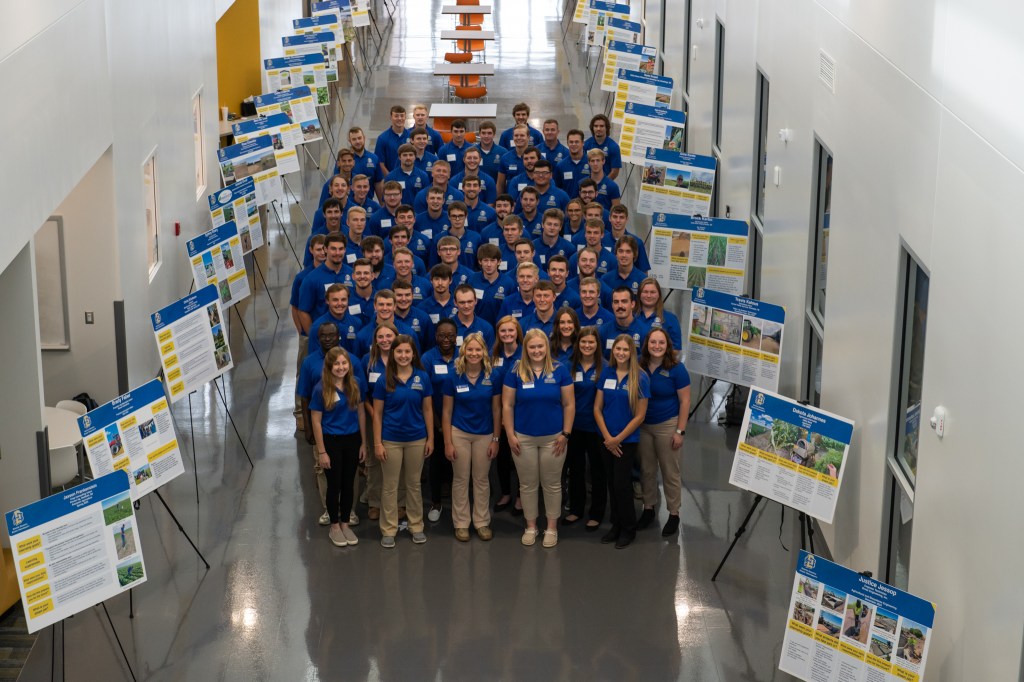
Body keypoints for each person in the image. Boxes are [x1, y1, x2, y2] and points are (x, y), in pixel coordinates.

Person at [502, 329, 575, 548]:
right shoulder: (515, 371)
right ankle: (531, 526)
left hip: (554, 438)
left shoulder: (560, 370)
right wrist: (510, 435)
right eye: (532, 347)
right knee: (527, 484)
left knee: (552, 484)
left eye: (540, 346)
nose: (536, 350)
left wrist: (566, 434)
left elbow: (569, 404)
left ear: (547, 347)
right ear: (526, 348)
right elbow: (507, 405)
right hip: (523, 438)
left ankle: (551, 527)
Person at [372, 335, 433, 547]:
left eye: (407, 351)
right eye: (399, 352)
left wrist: (431, 438)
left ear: (414, 354)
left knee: (414, 484)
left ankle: (416, 525)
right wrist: (377, 443)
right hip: (391, 439)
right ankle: (389, 528)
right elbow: (377, 414)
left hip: (417, 438)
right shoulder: (383, 380)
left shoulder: (422, 378)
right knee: (390, 486)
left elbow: (427, 409)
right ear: (393, 354)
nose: (403, 355)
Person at [442, 332, 502, 541]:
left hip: (485, 434)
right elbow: (446, 412)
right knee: (460, 479)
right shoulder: (453, 375)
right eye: (470, 349)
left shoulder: (493, 375)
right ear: (464, 351)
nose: (474, 353)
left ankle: (482, 522)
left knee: (481, 479)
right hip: (459, 433)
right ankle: (461, 523)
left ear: (484, 351)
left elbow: (497, 410)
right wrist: (448, 442)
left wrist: (496, 439)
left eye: (478, 349)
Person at [594, 334, 650, 548]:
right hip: (606, 439)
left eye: (625, 350)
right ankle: (616, 525)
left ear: (631, 352)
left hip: (626, 441)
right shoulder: (606, 372)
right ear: (613, 350)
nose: (621, 353)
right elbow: (597, 408)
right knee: (611, 482)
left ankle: (628, 528)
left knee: (622, 485)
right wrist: (608, 438)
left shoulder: (641, 377)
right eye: (618, 349)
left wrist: (617, 439)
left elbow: (640, 416)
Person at [310, 347, 367, 547]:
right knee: (334, 485)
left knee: (348, 483)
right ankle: (334, 526)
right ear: (329, 366)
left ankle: (345, 523)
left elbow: (361, 413)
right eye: (337, 364)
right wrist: (322, 451)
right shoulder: (320, 389)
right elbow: (316, 421)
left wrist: (364, 443)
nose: (341, 367)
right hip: (332, 441)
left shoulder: (355, 384)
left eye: (344, 363)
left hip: (352, 439)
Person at [638, 328, 690, 536]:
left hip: (667, 425)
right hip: (643, 425)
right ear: (647, 344)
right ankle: (648, 507)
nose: (657, 346)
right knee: (647, 470)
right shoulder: (640, 365)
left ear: (667, 345)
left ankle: (674, 513)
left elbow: (685, 401)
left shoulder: (677, 369)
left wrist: (680, 431)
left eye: (661, 342)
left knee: (670, 471)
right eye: (653, 342)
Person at [565, 327, 605, 530]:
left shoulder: (605, 368)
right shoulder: (569, 366)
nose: (587, 345)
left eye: (591, 342)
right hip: (574, 426)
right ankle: (576, 509)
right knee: (576, 469)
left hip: (597, 428)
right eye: (583, 342)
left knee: (597, 471)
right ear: (577, 344)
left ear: (597, 345)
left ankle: (597, 513)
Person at [362, 321, 399, 523]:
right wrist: (375, 413)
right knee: (375, 461)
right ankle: (375, 502)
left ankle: (400, 502)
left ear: (396, 337)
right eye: (381, 337)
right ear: (375, 341)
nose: (385, 340)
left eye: (389, 336)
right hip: (372, 417)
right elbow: (363, 393)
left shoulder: (403, 357)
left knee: (398, 460)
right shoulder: (367, 361)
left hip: (398, 418)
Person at [421, 320, 457, 524]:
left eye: (450, 335)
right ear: (435, 336)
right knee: (435, 462)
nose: (446, 339)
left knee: (457, 462)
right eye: (442, 335)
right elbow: (425, 395)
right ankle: (435, 502)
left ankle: (458, 504)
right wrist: (437, 424)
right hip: (434, 419)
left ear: (456, 337)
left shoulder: (463, 356)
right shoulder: (427, 358)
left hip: (458, 421)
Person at [491, 316, 523, 515]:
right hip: (497, 412)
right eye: (503, 331)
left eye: (511, 330)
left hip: (520, 412)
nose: (507, 334)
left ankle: (520, 496)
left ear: (517, 332)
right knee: (502, 456)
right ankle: (505, 493)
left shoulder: (525, 353)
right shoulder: (492, 354)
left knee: (520, 455)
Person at [468, 243, 515, 325]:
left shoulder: (508, 283)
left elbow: (511, 309)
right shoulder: (472, 280)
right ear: (479, 261)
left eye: (492, 260)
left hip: (501, 329)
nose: (489, 264)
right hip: (476, 327)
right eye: (485, 260)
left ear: (499, 262)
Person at [635, 278, 683, 351]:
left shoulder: (671, 319)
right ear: (639, 294)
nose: (649, 295)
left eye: (653, 292)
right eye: (645, 292)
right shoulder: (631, 316)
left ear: (659, 295)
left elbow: (675, 349)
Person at [348, 126, 385, 198]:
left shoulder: (374, 158)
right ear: (350, 141)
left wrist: (382, 202)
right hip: (350, 203)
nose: (357, 141)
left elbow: (378, 183)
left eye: (359, 138)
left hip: (369, 202)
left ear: (364, 138)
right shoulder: (345, 160)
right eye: (354, 139)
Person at [584, 113, 622, 180]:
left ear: (607, 128)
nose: (598, 129)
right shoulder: (586, 145)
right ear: (592, 128)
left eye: (601, 126)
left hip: (605, 184)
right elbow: (582, 166)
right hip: (588, 184)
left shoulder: (614, 147)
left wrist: (602, 183)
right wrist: (589, 184)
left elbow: (615, 172)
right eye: (596, 126)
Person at [374, 105, 409, 173]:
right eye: (396, 116)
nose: (399, 118)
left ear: (405, 117)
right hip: (390, 178)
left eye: (402, 116)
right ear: (391, 117)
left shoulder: (412, 136)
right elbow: (380, 163)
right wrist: (390, 177)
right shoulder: (382, 138)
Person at [555, 129, 590, 198]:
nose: (573, 144)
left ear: (583, 143)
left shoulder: (591, 163)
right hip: (568, 204)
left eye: (577, 142)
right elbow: (557, 189)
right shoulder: (561, 166)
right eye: (571, 142)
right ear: (567, 143)